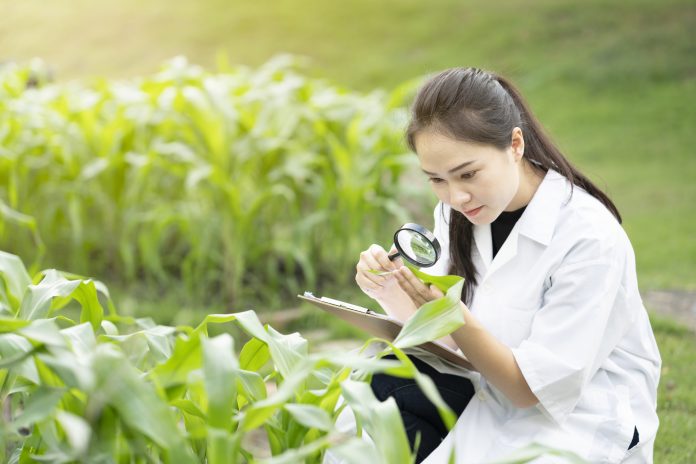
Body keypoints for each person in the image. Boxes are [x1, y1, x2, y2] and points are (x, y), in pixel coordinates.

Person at [352, 68, 661, 463]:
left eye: (468, 173)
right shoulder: (458, 215)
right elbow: (449, 344)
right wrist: (390, 288)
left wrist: (450, 313)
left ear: (515, 144)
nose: (456, 196)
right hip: (489, 392)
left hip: (577, 416)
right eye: (436, 179)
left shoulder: (587, 236)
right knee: (370, 399)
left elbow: (530, 388)